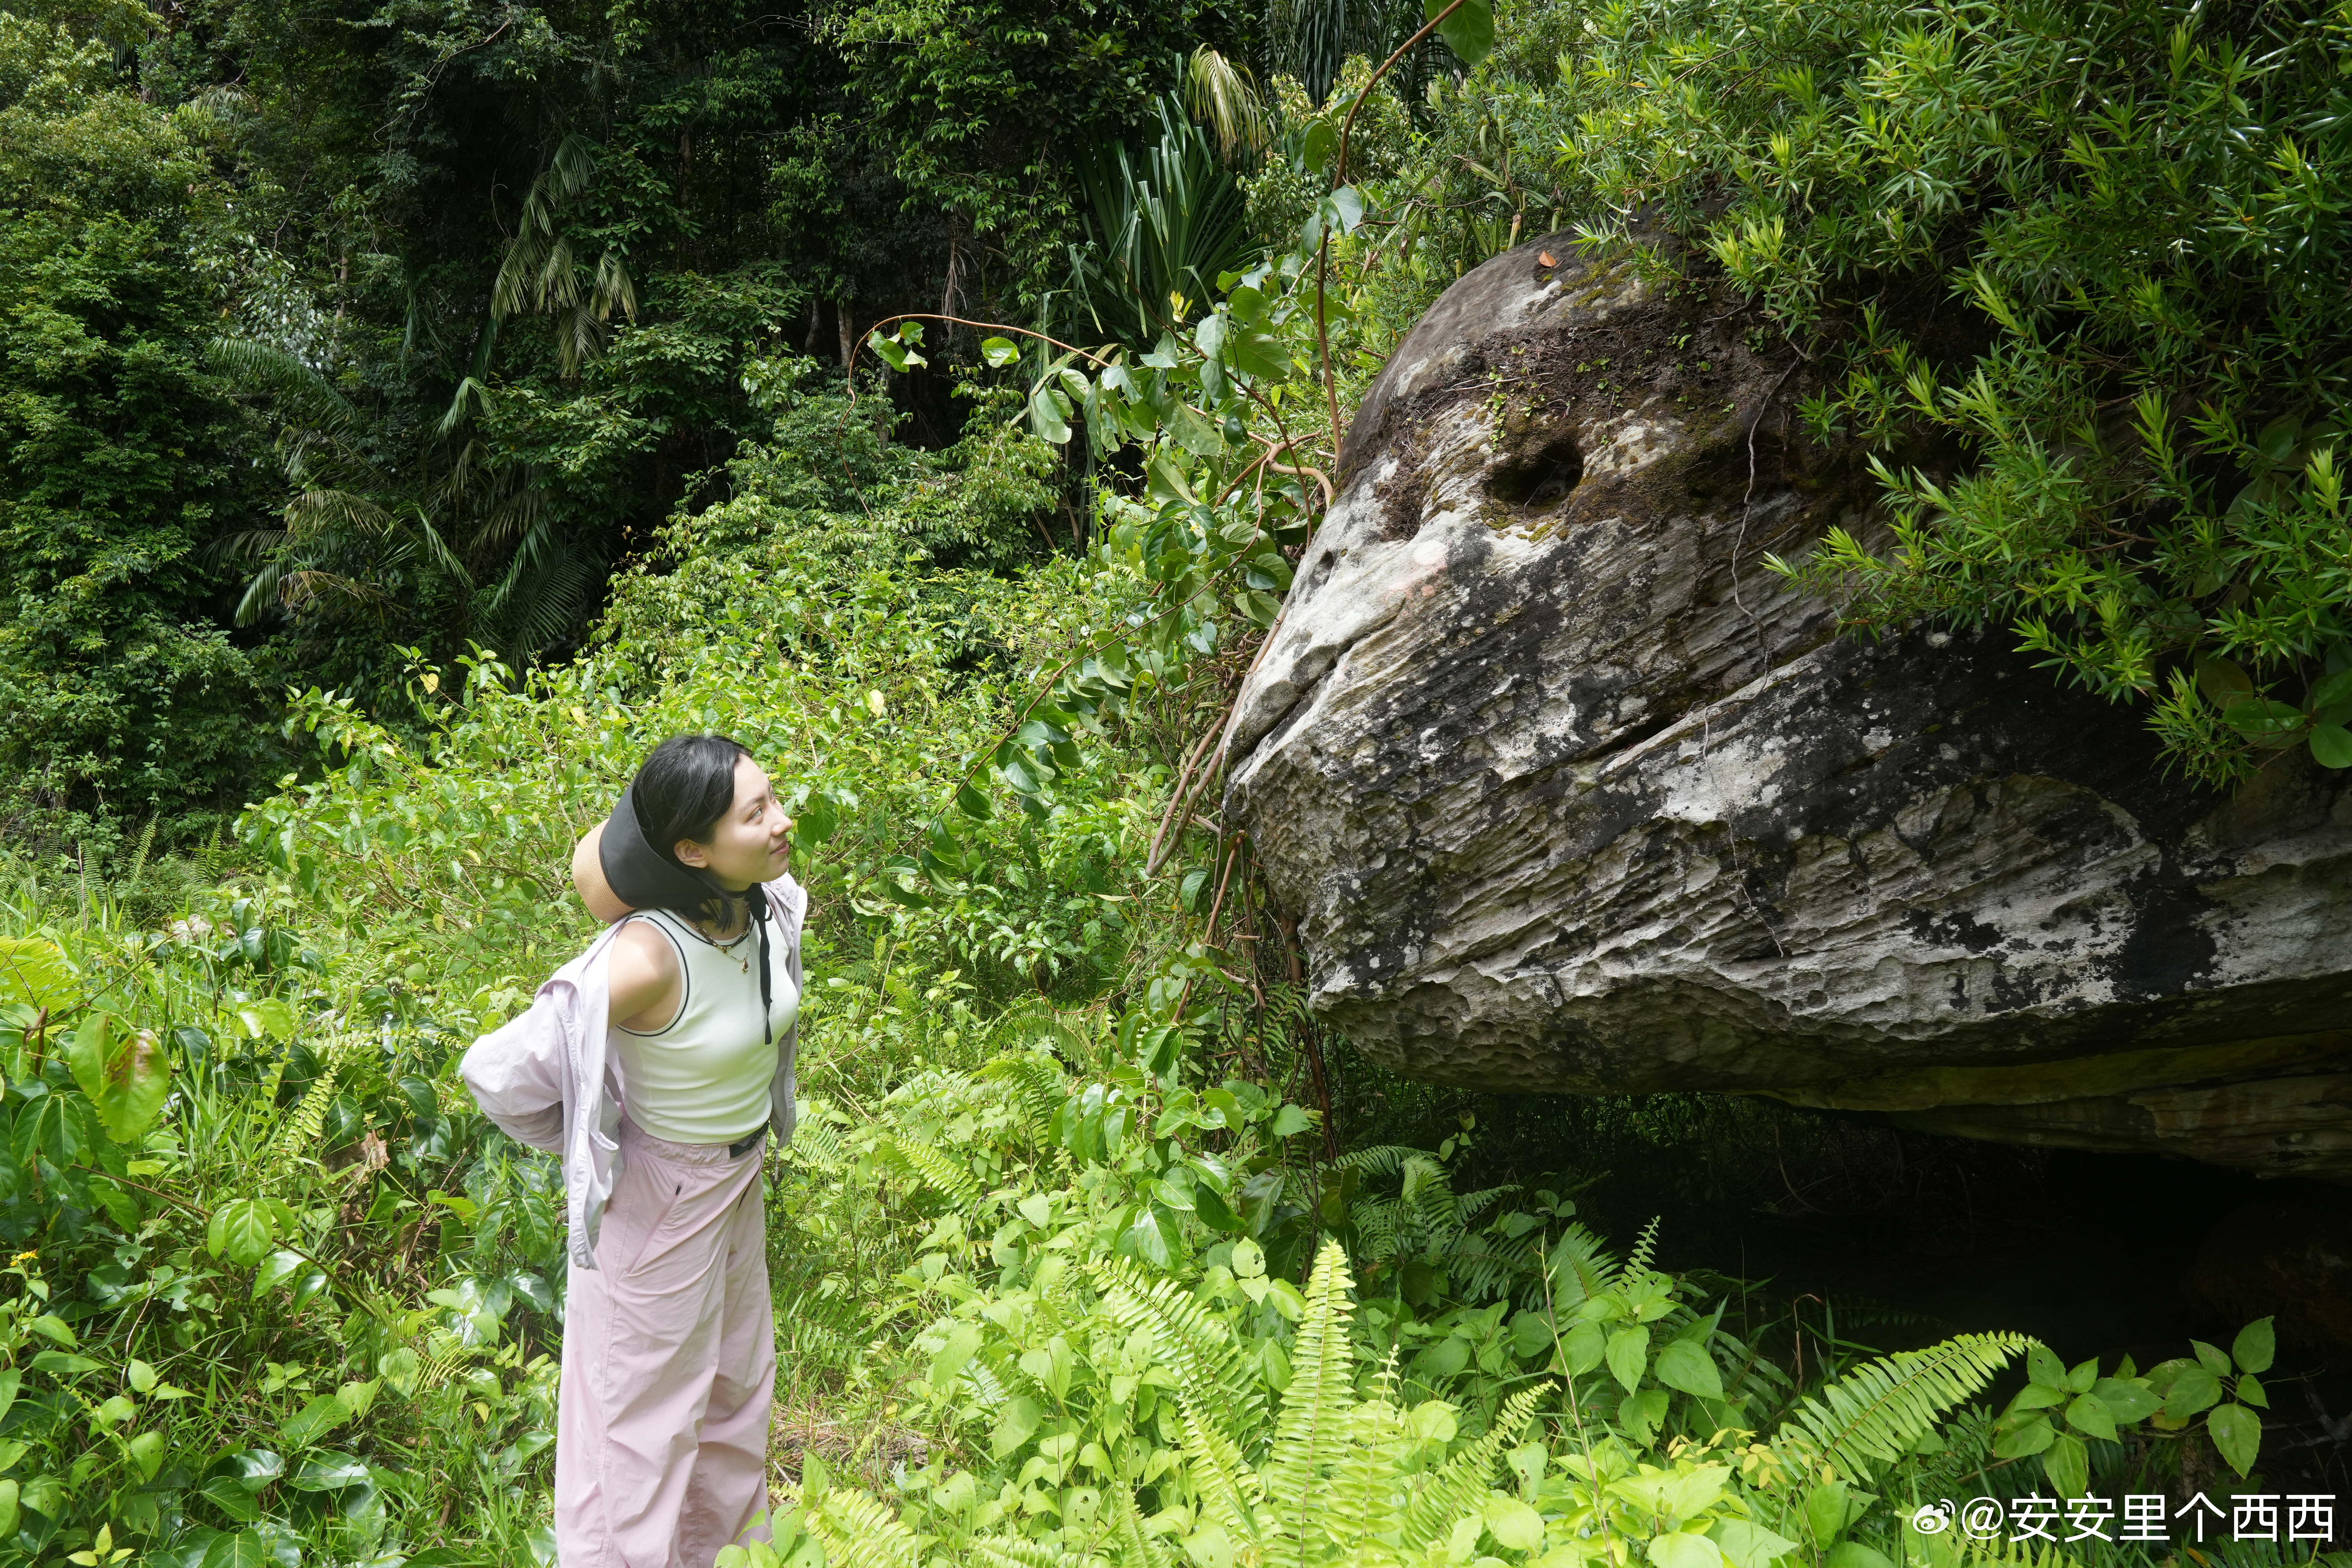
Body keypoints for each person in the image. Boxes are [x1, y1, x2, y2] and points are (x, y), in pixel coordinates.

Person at [461, 734, 807, 1568]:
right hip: (662, 1201)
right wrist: (599, 1145)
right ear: (691, 850)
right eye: (755, 812)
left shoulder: (757, 897)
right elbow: (497, 1074)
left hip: (737, 1186)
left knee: (732, 1400)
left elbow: (597, 862)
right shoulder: (647, 956)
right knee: (635, 1439)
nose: (783, 821)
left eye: (774, 798)